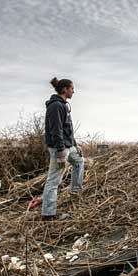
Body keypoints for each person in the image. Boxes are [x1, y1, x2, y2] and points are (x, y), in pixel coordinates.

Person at [41, 77, 84, 220]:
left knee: (79, 162)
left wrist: (75, 146)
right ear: (65, 89)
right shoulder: (56, 106)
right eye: (72, 88)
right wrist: (60, 150)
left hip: (68, 146)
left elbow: (67, 129)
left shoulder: (63, 105)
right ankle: (48, 213)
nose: (74, 91)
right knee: (54, 180)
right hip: (59, 149)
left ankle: (75, 192)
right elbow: (56, 130)